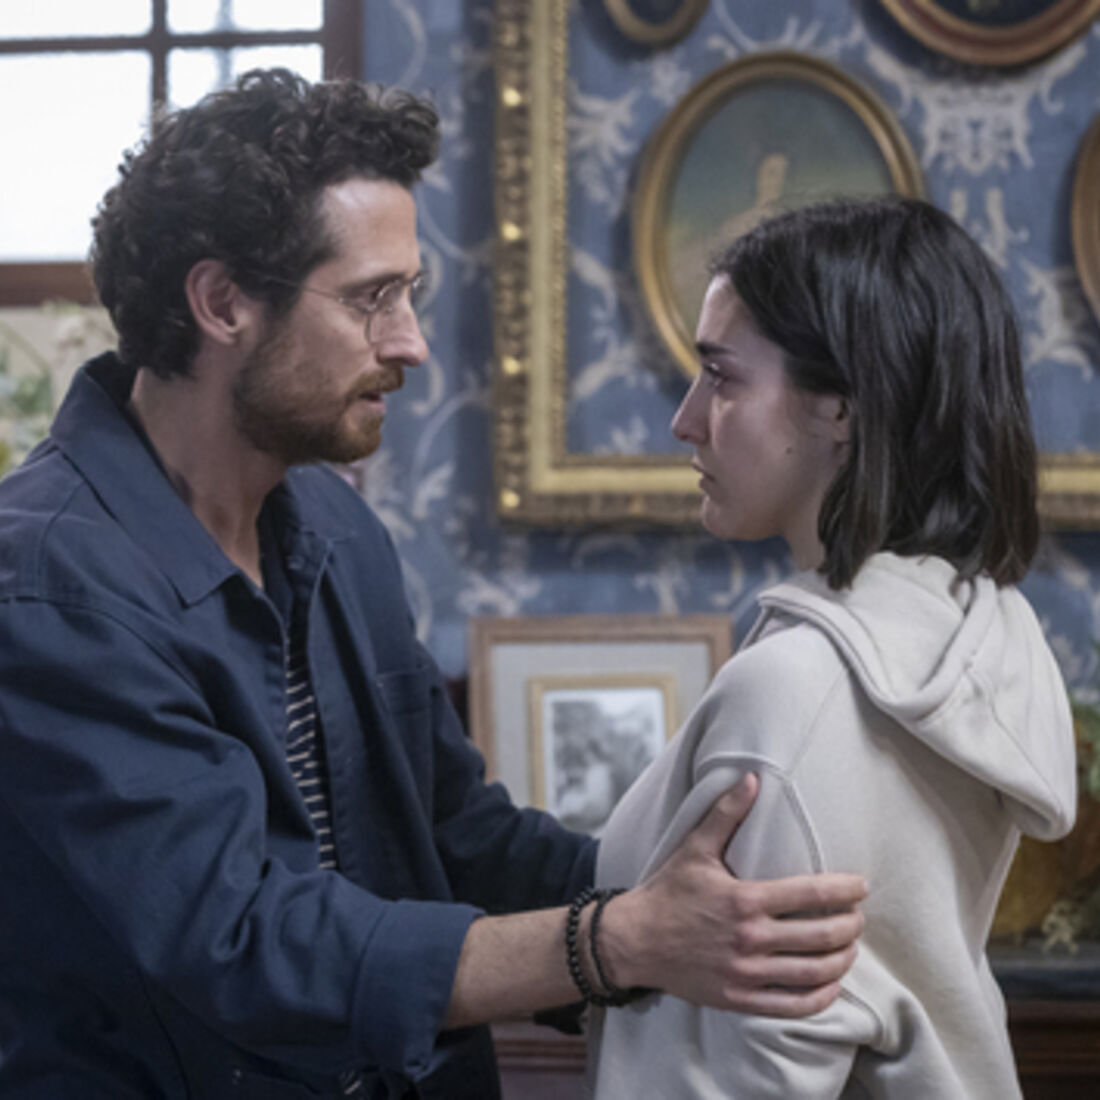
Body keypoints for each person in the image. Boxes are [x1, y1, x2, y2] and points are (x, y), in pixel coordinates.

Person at [0, 70, 868, 1099]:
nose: (409, 341)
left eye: (408, 294)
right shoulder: (46, 585)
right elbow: (242, 940)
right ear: (222, 302)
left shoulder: (334, 530)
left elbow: (457, 835)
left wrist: (715, 895)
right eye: (371, 299)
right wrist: (618, 940)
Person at [586, 196, 1079, 1099]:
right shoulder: (980, 634)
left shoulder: (796, 690)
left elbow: (757, 1067)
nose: (685, 420)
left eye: (721, 377)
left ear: (841, 408)